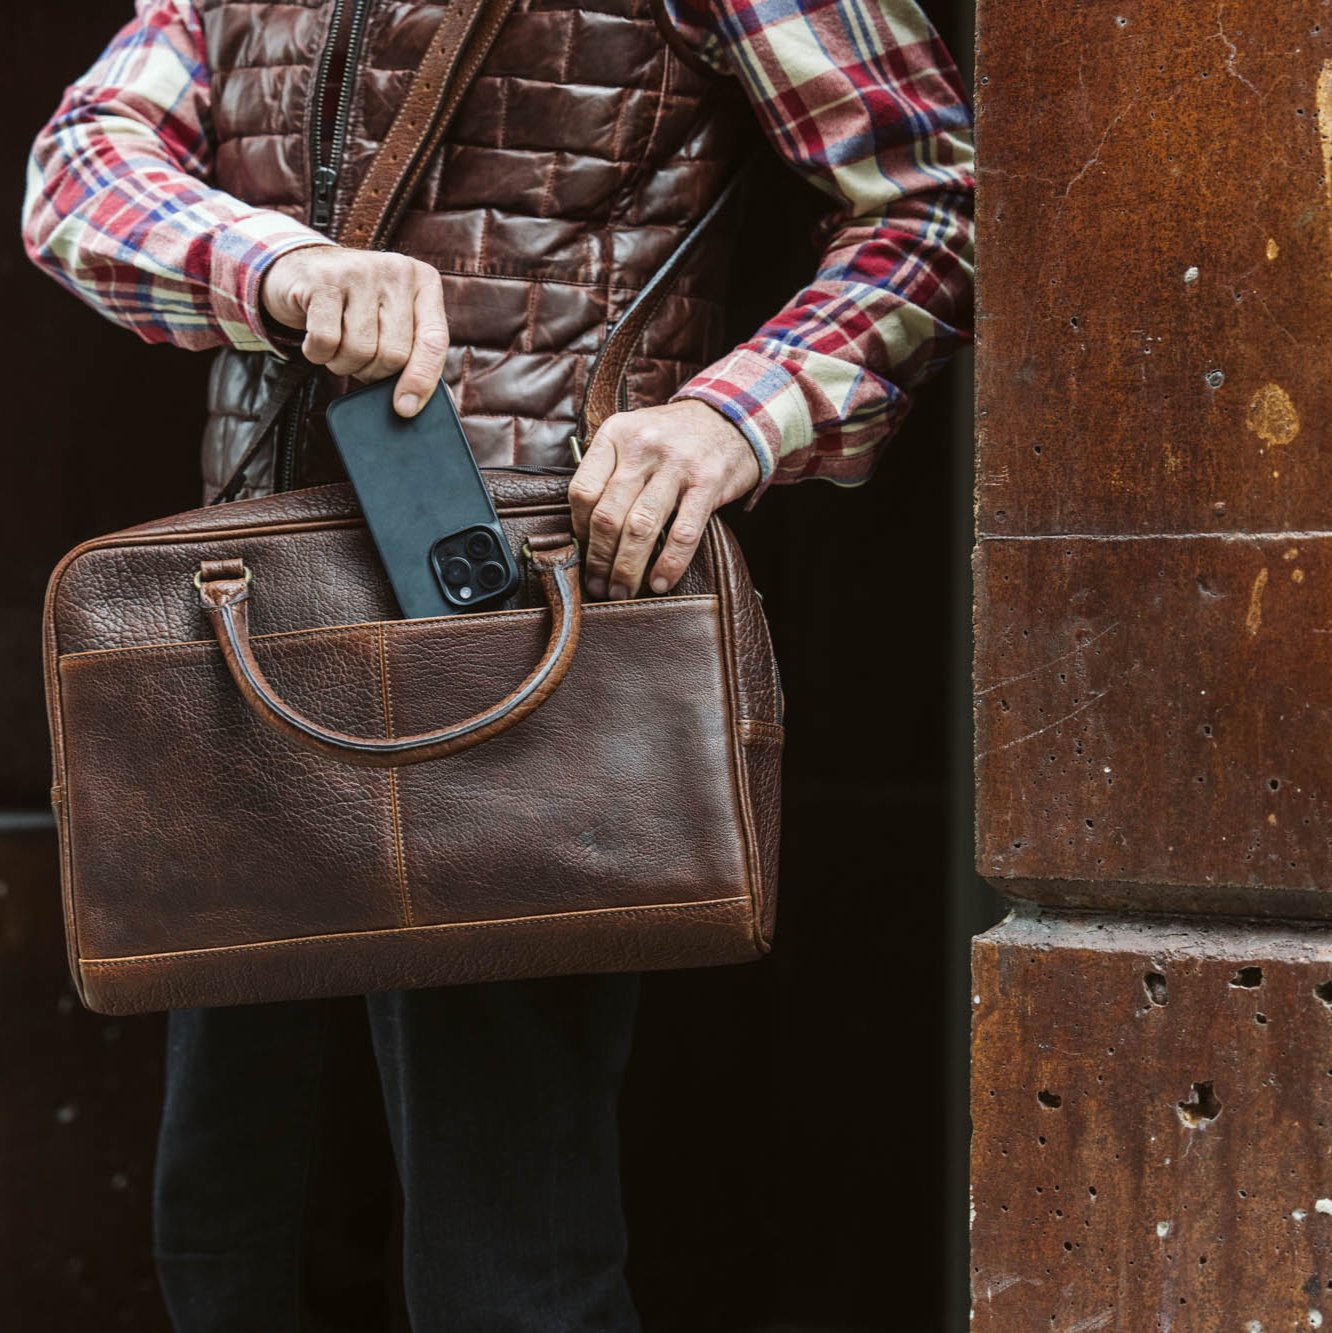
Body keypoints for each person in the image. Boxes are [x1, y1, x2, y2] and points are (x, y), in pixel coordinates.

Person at [22, 0, 974, 1328]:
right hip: (251, 642)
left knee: (504, 1254)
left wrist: (724, 422)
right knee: (231, 1236)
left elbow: (937, 207)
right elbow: (75, 169)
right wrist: (279, 265)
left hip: (531, 626)